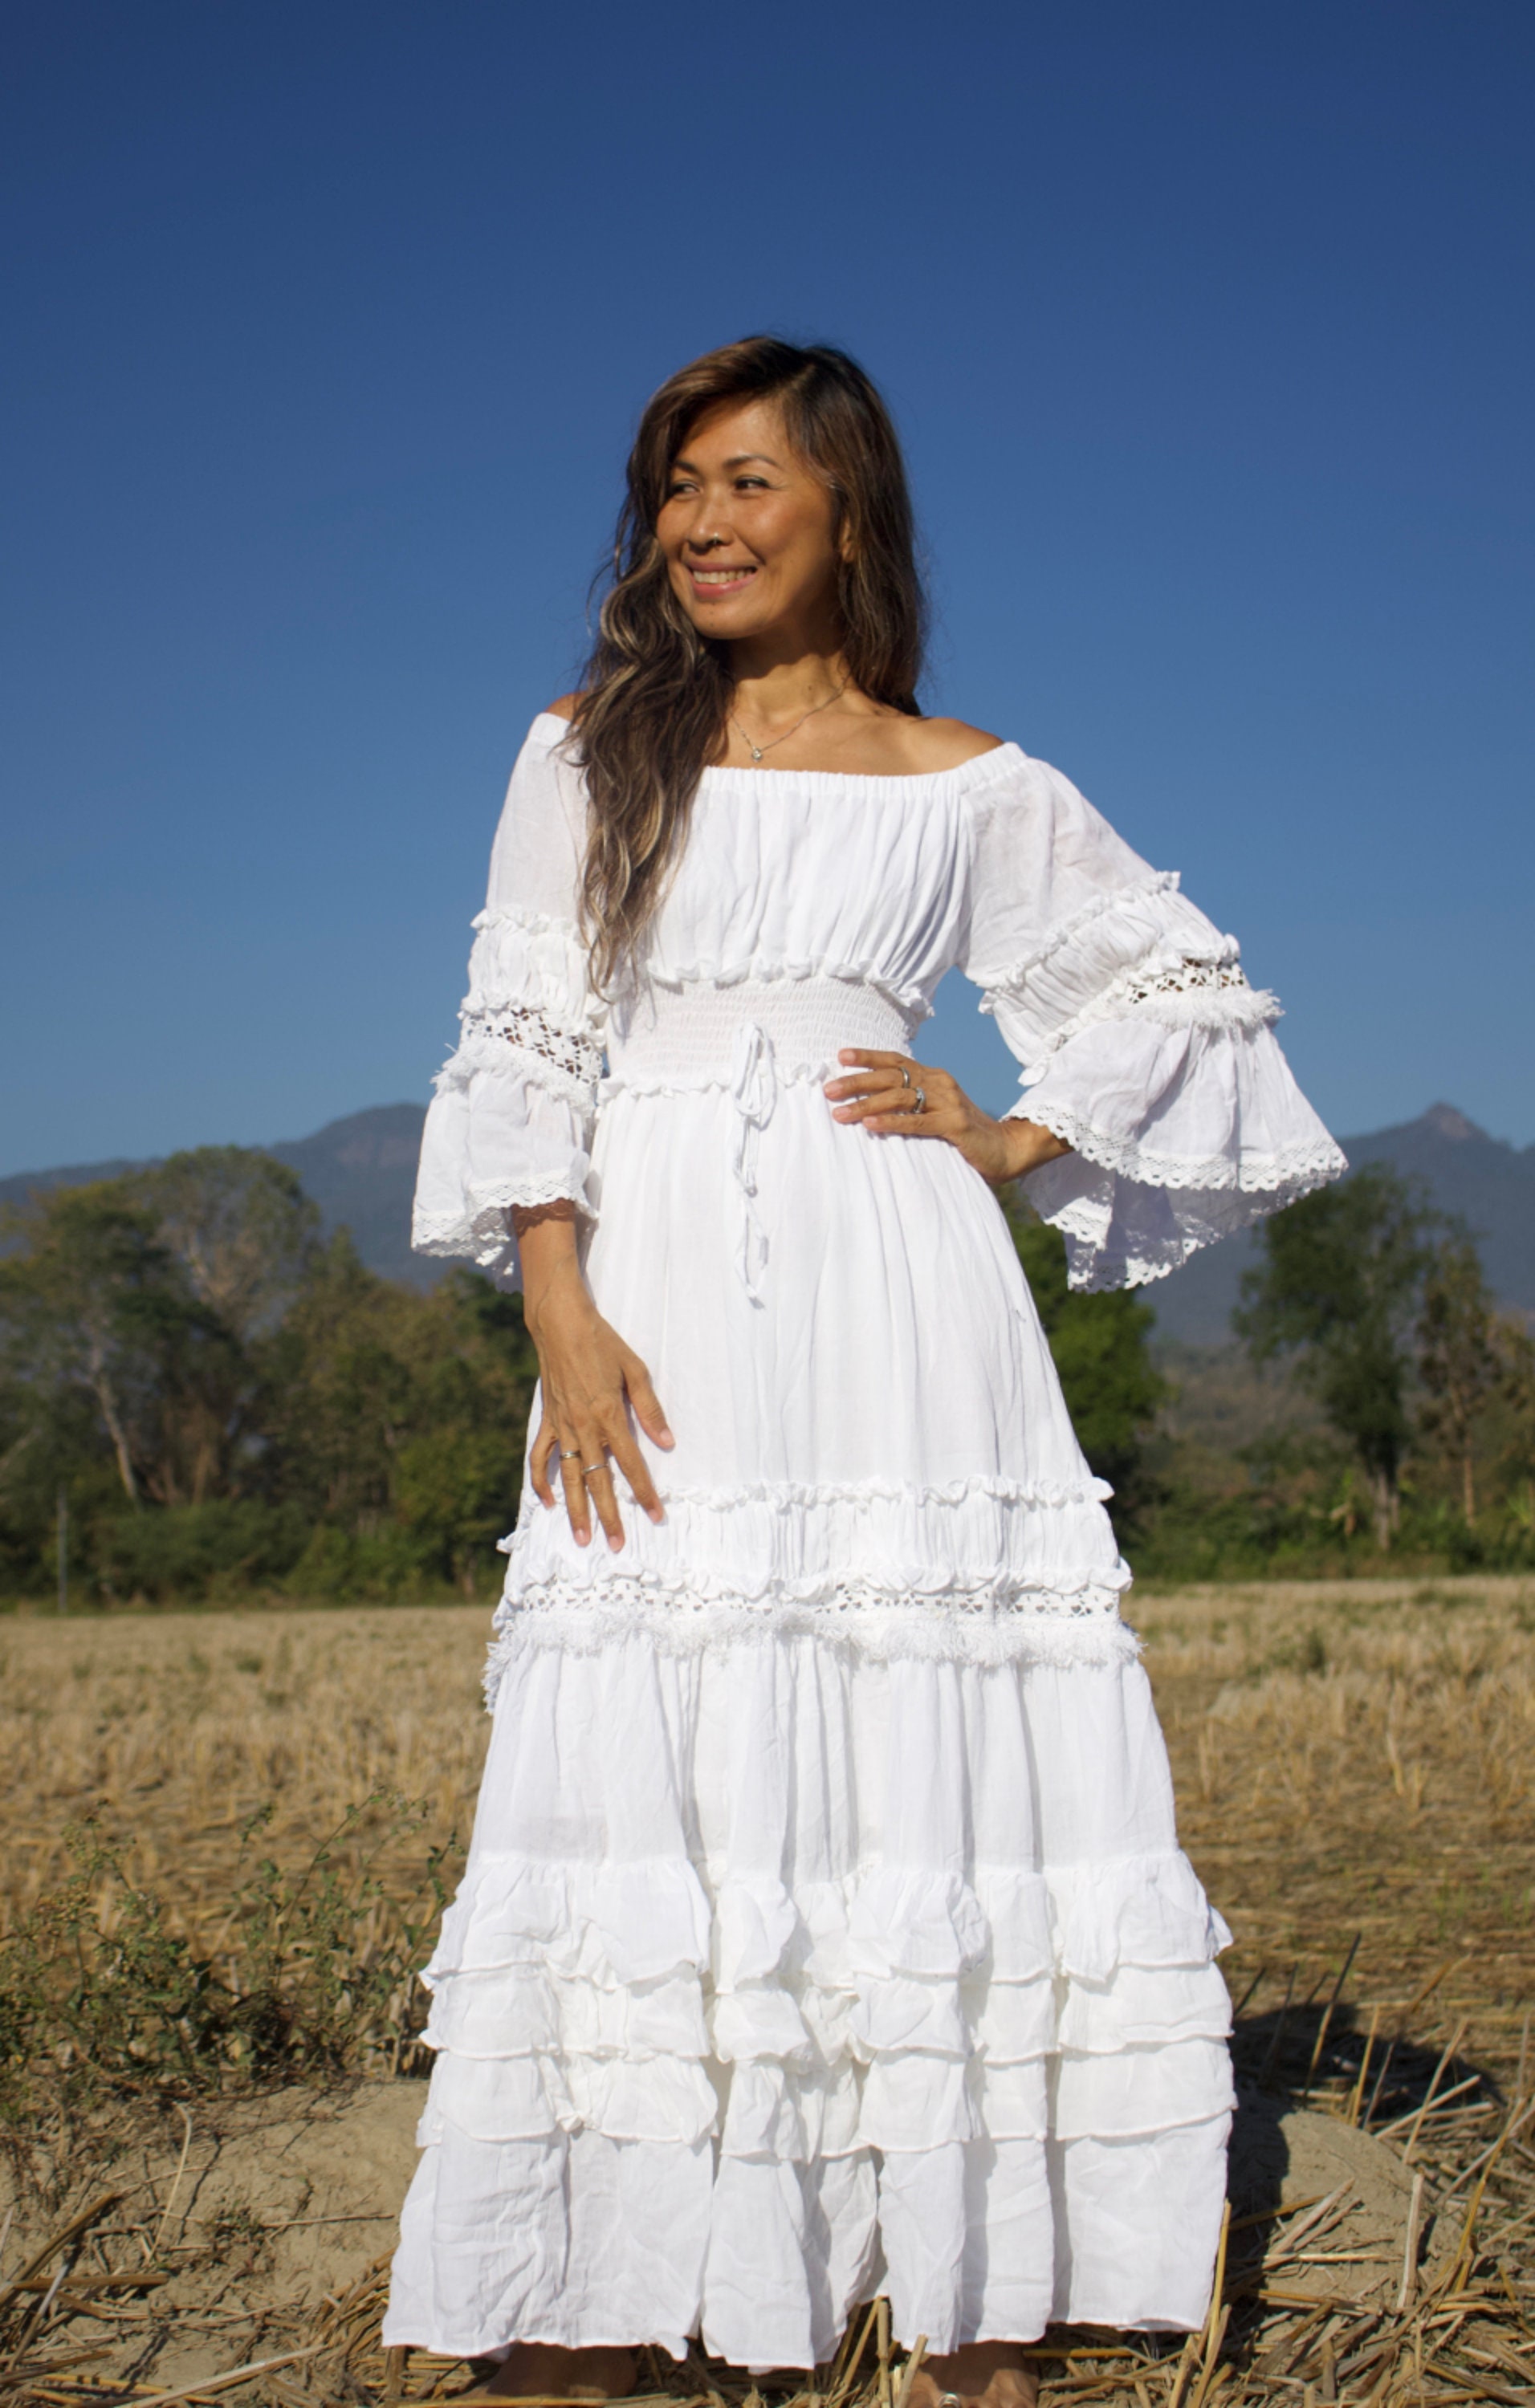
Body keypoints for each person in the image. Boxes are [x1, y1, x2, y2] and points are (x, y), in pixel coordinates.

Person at [384, 337, 1345, 2406]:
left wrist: (1005, 1135)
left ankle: (968, 2294)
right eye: (675, 487)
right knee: (647, 1693)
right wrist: (556, 1296)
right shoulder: (586, 748)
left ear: (846, 514)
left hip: (896, 1283)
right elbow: (533, 1028)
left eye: (746, 483)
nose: (703, 524)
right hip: (645, 1281)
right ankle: (613, 2293)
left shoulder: (970, 779)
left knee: (915, 1723)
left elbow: (1190, 996)